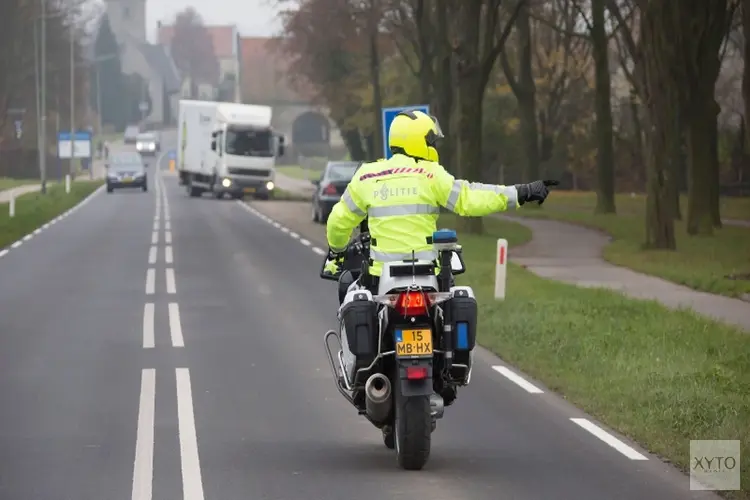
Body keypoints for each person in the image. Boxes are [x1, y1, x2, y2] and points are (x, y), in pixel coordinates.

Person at [323, 109, 557, 289]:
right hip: (427, 276)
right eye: (430, 141)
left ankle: (357, 354)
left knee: (353, 297)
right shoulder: (431, 174)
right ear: (417, 141)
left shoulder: (367, 175)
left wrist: (337, 251)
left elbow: (338, 221)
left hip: (380, 278)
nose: (433, 146)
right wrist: (522, 192)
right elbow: (470, 199)